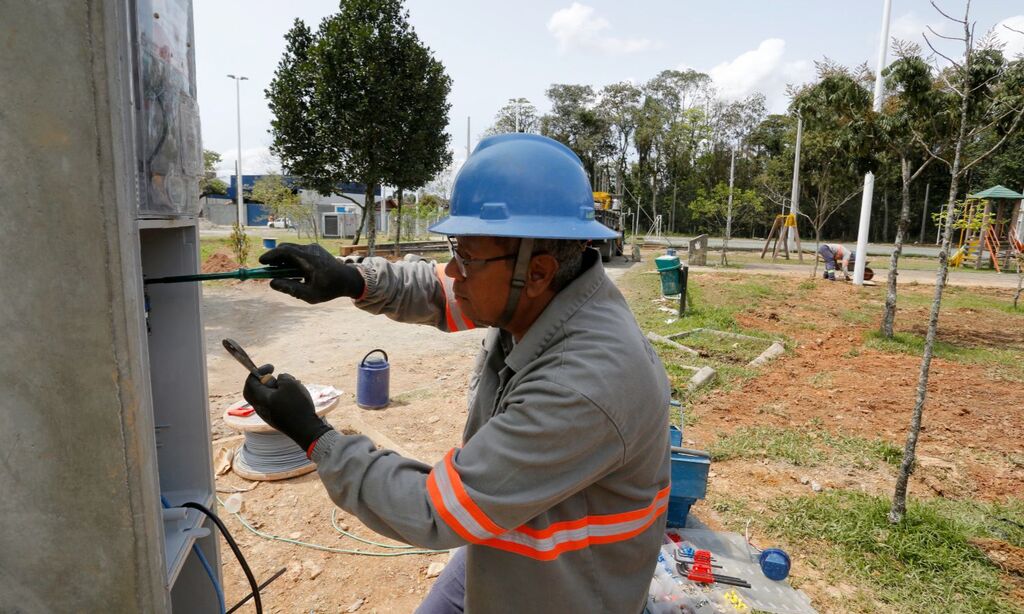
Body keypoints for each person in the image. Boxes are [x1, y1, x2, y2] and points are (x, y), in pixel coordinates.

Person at [243, 134, 671, 613]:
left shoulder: (583, 385)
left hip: (556, 592)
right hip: (504, 544)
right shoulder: (544, 302)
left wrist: (312, 434)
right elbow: (439, 293)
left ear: (537, 272)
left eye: (466, 257)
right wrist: (353, 279)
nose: (452, 270)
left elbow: (433, 508)